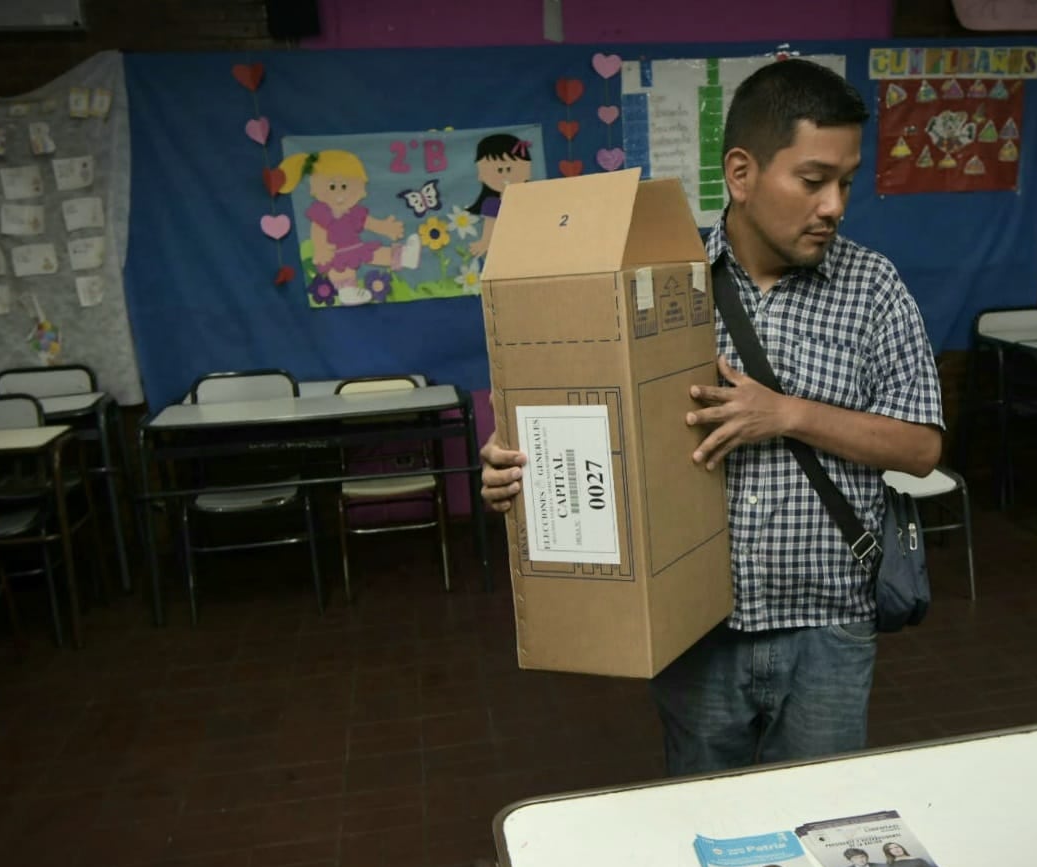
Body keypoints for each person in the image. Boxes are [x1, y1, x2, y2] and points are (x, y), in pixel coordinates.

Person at [481, 58, 944, 782]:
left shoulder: (874, 286)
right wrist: (519, 469)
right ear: (741, 172)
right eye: (814, 180)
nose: (835, 206)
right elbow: (588, 420)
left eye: (847, 182)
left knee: (822, 820)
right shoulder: (657, 279)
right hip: (697, 632)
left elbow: (920, 447)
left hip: (828, 624)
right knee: (708, 833)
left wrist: (786, 413)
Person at [276, 149, 420, 305]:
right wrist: (321, 247)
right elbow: (318, 230)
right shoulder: (322, 212)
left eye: (345, 186)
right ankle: (347, 292)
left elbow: (370, 223)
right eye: (332, 187)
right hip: (335, 253)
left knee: (377, 253)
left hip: (357, 247)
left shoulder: (354, 212)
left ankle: (406, 256)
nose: (339, 193)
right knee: (341, 271)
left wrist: (386, 227)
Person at [465, 133, 533, 260]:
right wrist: (485, 243)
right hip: (505, 252)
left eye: (510, 168)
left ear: (527, 169)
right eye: (499, 170)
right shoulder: (492, 203)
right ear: (480, 174)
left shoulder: (530, 201)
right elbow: (489, 226)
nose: (505, 174)